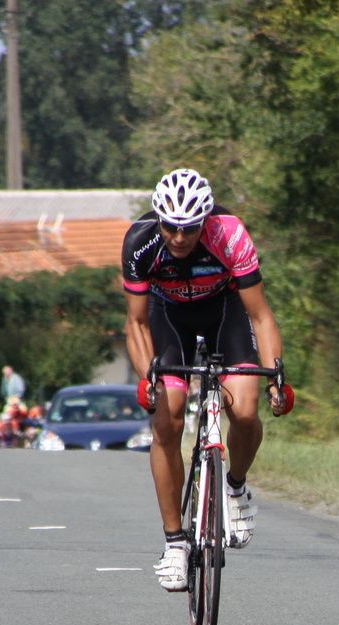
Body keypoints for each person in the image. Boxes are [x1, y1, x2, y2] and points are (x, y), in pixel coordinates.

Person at [121, 167, 289, 592]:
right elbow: (137, 324)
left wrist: (276, 377)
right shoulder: (140, 243)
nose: (179, 237)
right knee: (168, 417)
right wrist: (148, 379)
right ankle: (175, 543)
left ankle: (234, 487)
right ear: (159, 219)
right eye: (171, 227)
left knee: (247, 409)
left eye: (190, 228)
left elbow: (260, 315)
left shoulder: (229, 234)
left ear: (205, 221)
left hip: (224, 310)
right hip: (167, 317)